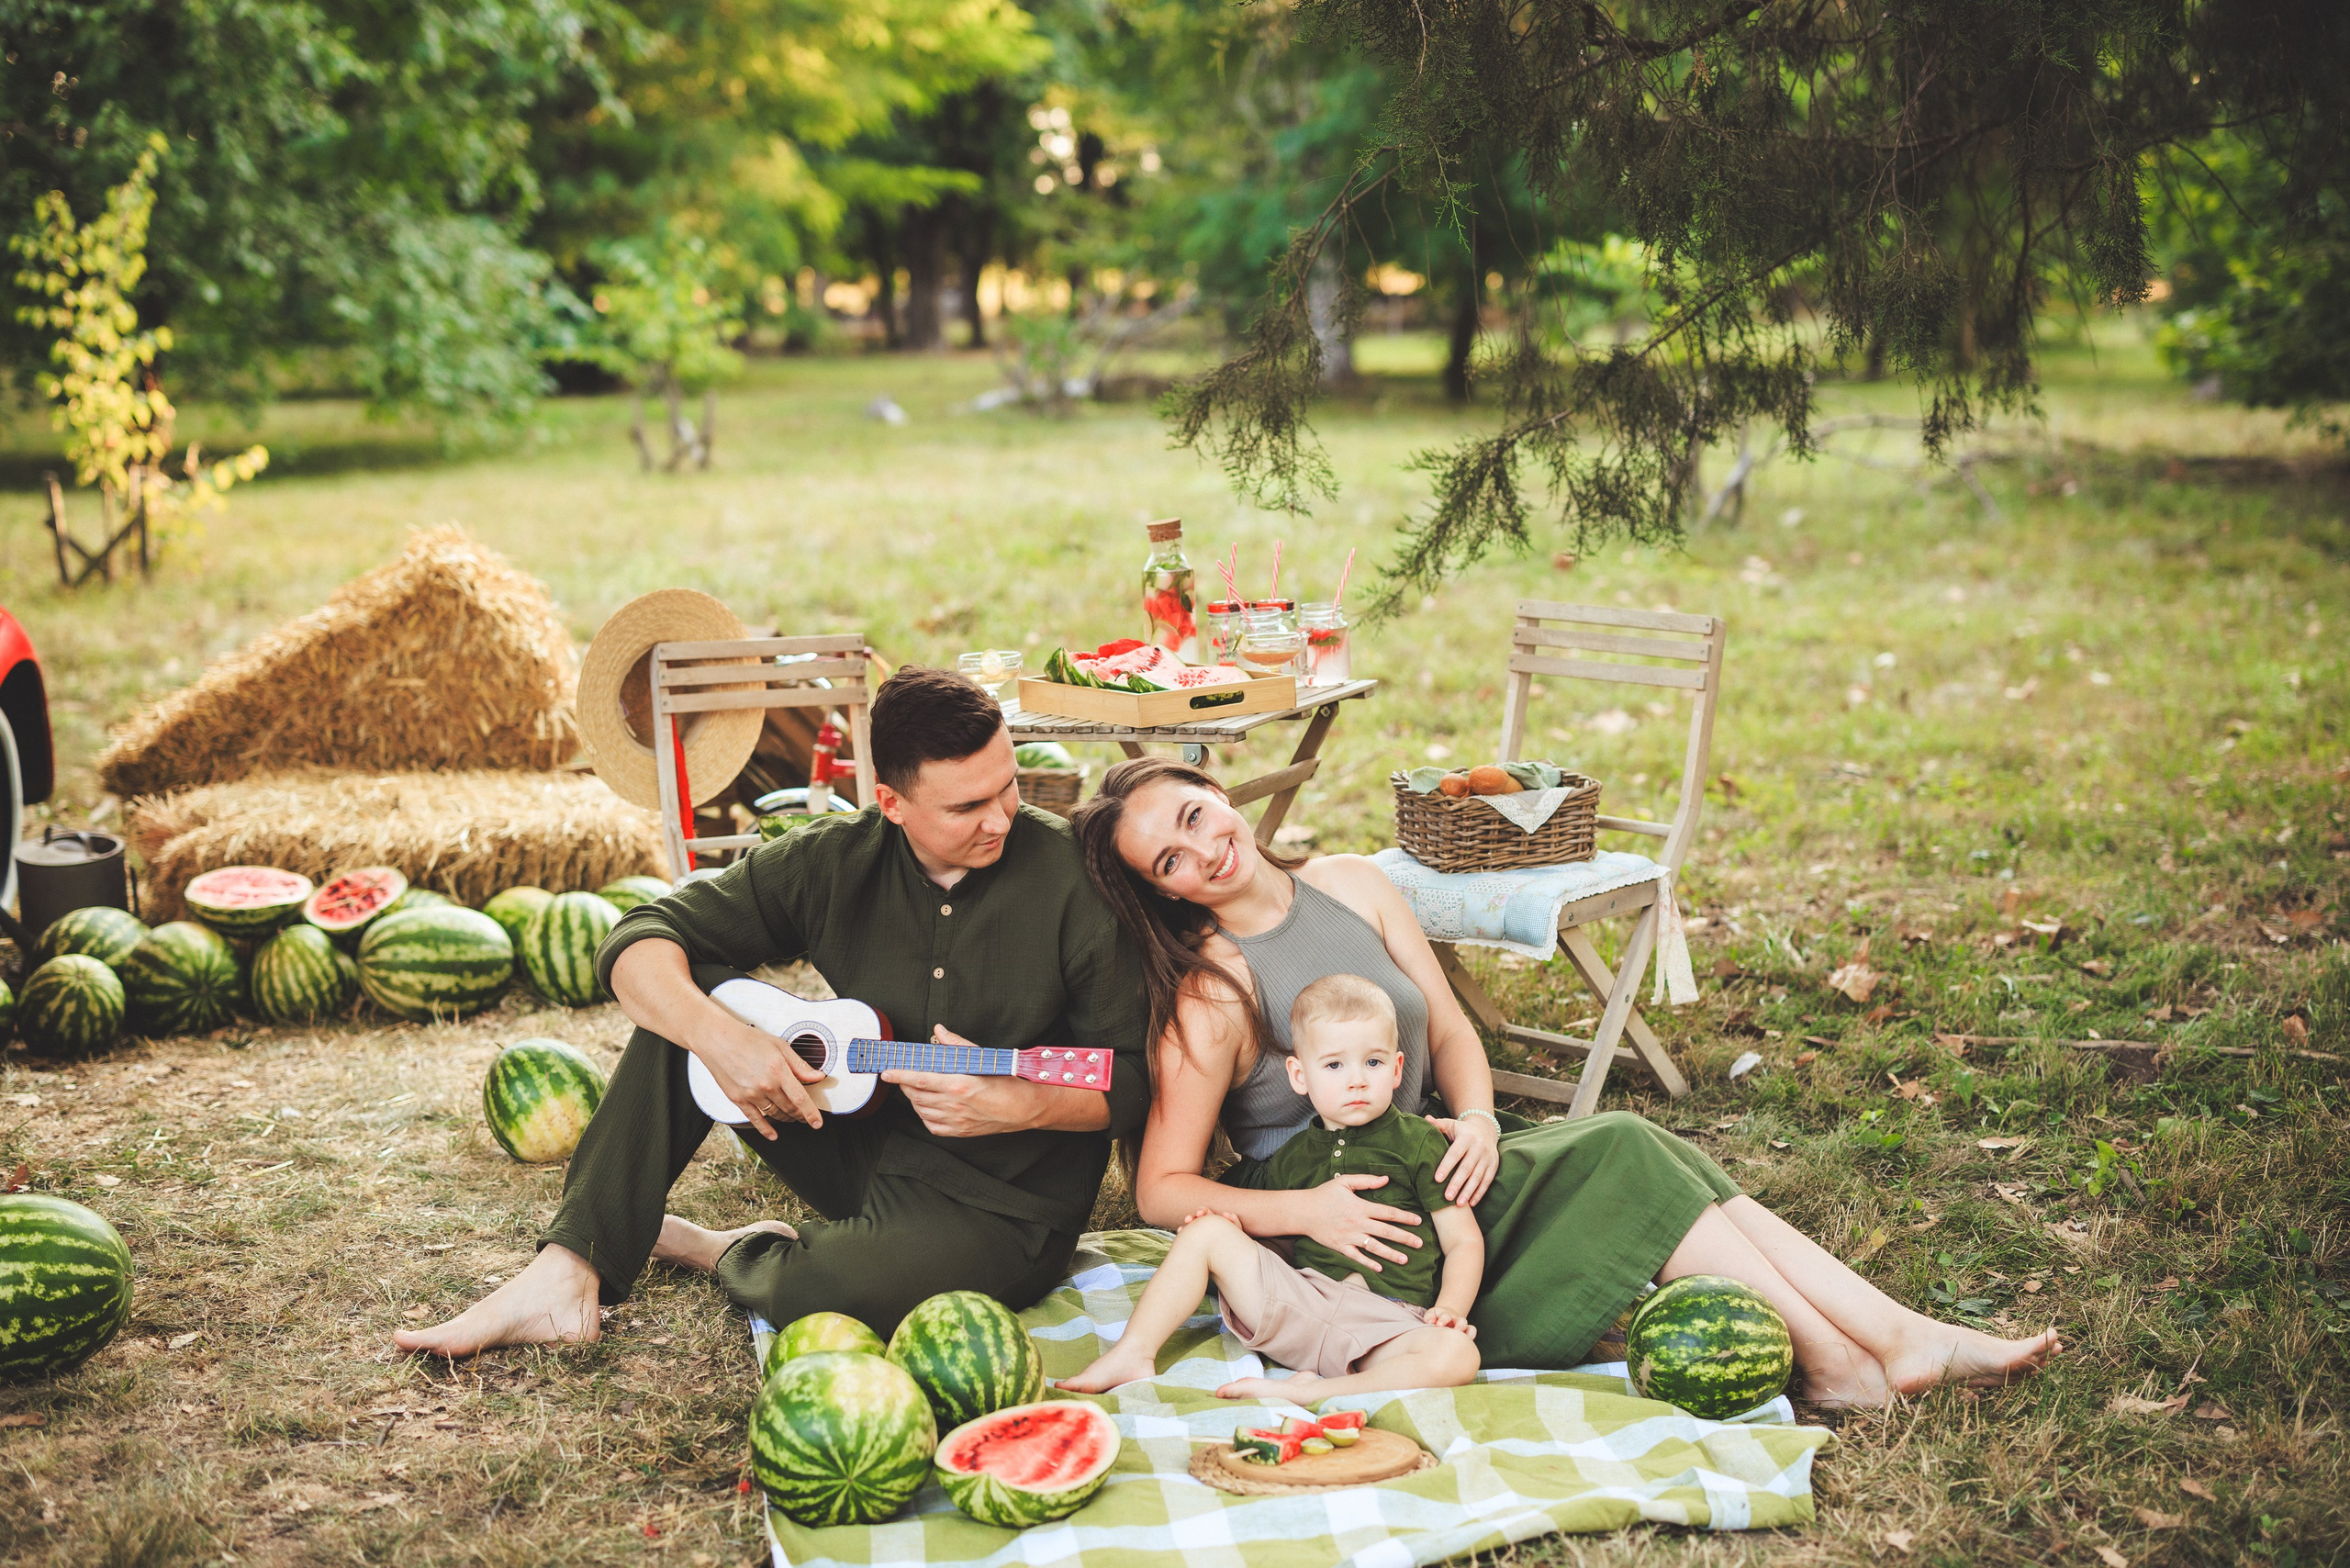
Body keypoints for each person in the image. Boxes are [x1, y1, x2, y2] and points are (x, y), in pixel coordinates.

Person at [1069, 757, 2061, 1407]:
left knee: (1648, 1149)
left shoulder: (1354, 881)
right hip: (1370, 1243)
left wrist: (1481, 1120)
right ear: (1159, 887)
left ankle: (1887, 1337)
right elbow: (1161, 1189)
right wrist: (1308, 1213)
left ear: (1220, 791)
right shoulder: (1211, 989)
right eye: (1170, 857)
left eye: (1197, 814)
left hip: (1439, 1164)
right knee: (1625, 1146)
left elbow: (1449, 1028)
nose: (1203, 848)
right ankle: (1850, 1355)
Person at [396, 666, 1149, 1357]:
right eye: (968, 806)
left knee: (839, 1296)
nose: (1002, 818)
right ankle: (567, 1275)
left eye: (1007, 786)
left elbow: (1133, 1080)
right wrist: (719, 1037)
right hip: (854, 1136)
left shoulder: (1079, 881)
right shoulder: (832, 860)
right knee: (692, 999)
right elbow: (637, 938)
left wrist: (1015, 1105)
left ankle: (719, 1248)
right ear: (890, 803)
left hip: (1002, 1204)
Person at [1059, 975, 1483, 1402]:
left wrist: (1450, 1309)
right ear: (1300, 1075)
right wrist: (1228, 1232)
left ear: (1396, 1069)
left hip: (1385, 1325)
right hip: (1300, 1304)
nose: (1356, 1080)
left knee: (1457, 1355)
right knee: (1206, 1231)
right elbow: (1269, 1233)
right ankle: (1134, 1351)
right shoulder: (1293, 1156)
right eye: (1334, 1065)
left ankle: (1316, 1392)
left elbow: (1464, 1240)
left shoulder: (1421, 1143)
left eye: (1372, 1063)